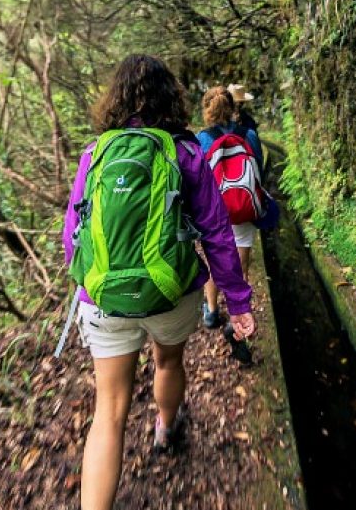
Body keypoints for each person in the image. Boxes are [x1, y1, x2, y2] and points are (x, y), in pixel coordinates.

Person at [63, 55, 256, 510]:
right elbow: (217, 234)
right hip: (172, 295)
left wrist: (88, 286)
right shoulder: (186, 153)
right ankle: (166, 428)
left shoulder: (95, 154)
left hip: (104, 299)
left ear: (114, 99)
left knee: (108, 411)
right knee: (168, 362)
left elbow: (73, 234)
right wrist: (239, 302)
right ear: (172, 97)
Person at [196, 87, 266, 328]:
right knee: (241, 264)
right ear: (233, 106)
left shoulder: (202, 139)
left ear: (207, 110)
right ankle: (240, 314)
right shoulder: (249, 134)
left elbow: (198, 180)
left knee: (214, 261)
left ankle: (212, 311)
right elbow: (259, 173)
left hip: (214, 212)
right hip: (243, 208)